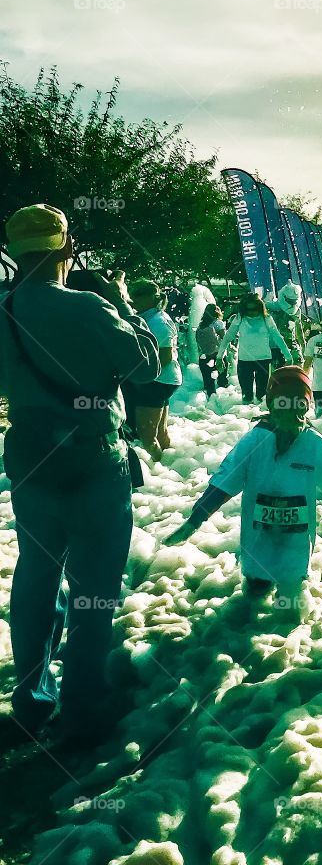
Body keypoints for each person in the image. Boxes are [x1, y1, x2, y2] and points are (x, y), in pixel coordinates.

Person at [0, 204, 160, 747]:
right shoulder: (91, 307)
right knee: (94, 586)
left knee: (37, 576)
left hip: (28, 458)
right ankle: (84, 706)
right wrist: (124, 306)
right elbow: (146, 368)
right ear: (67, 250)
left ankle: (30, 700)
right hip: (94, 461)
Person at [164, 367, 322, 622]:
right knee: (274, 597)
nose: (291, 409)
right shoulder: (271, 441)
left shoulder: (301, 443)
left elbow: (223, 484)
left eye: (297, 402)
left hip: (277, 543)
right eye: (286, 402)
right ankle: (278, 637)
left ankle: (264, 633)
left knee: (270, 595)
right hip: (277, 542)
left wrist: (195, 520)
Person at [128, 279, 182, 461]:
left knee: (146, 437)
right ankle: (170, 470)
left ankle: (158, 474)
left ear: (150, 298)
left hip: (157, 380)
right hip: (165, 379)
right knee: (160, 432)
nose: (131, 299)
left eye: (136, 295)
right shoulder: (153, 317)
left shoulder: (158, 321)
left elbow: (165, 356)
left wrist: (141, 377)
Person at [217, 293, 291, 403]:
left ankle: (260, 417)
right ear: (243, 309)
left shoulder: (266, 319)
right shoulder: (240, 318)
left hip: (263, 360)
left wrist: (288, 355)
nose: (251, 312)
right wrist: (219, 356)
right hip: (244, 361)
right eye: (248, 309)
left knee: (262, 396)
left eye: (254, 309)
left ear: (260, 307)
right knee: (247, 396)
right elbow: (228, 337)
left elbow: (277, 337)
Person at [266, 281, 307, 366]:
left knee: (297, 366)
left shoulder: (297, 311)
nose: (292, 304)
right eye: (290, 301)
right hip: (273, 347)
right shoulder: (269, 307)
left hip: (290, 345)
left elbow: (299, 331)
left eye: (294, 301)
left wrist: (303, 348)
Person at [196, 303, 226, 398]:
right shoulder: (218, 323)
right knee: (222, 383)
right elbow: (224, 338)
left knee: (208, 385)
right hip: (217, 356)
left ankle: (207, 404)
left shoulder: (201, 325)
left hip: (204, 357)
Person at [187, 277, 217, 366]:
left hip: (203, 352)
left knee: (193, 341)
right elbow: (213, 304)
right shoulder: (204, 291)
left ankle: (194, 362)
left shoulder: (195, 298)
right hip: (213, 351)